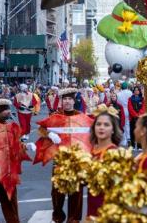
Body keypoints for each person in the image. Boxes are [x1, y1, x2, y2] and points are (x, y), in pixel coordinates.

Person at [34, 88, 94, 223]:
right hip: (59, 160)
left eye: (69, 99)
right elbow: (41, 128)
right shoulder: (55, 116)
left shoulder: (82, 116)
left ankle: (74, 219)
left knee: (76, 192)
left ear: (74, 101)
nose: (67, 102)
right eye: (64, 99)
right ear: (61, 101)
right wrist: (49, 134)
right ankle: (58, 217)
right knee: (57, 193)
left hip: (77, 161)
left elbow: (94, 129)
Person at [86, 104, 123, 218]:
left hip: (109, 213)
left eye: (106, 125)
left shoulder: (115, 153)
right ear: (94, 127)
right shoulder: (91, 151)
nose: (101, 127)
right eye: (98, 124)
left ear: (113, 130)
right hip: (92, 210)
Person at [116, 82, 132, 146]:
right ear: (127, 86)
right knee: (127, 124)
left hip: (122, 109)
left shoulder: (118, 94)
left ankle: (124, 139)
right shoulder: (130, 92)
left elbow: (118, 101)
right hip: (128, 109)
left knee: (122, 124)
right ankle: (128, 138)